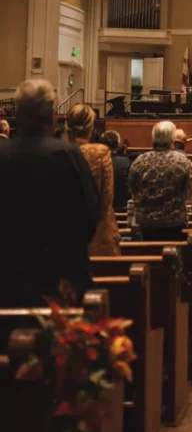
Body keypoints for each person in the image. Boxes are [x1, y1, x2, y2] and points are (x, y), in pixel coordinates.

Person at [0, 80, 99, 306]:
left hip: (7, 280)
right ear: (51, 116)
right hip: (58, 281)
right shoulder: (67, 155)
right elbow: (90, 214)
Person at [66, 104, 119, 257]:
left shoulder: (58, 152)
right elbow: (107, 200)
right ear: (91, 128)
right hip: (99, 235)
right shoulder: (99, 152)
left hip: (66, 236)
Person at [129, 120, 192, 240]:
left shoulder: (139, 161)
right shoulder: (182, 162)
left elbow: (134, 191)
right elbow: (189, 193)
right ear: (172, 139)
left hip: (147, 223)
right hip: (174, 223)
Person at [100, 130, 132, 213]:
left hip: (101, 210)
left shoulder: (97, 162)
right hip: (122, 209)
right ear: (118, 144)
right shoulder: (126, 162)